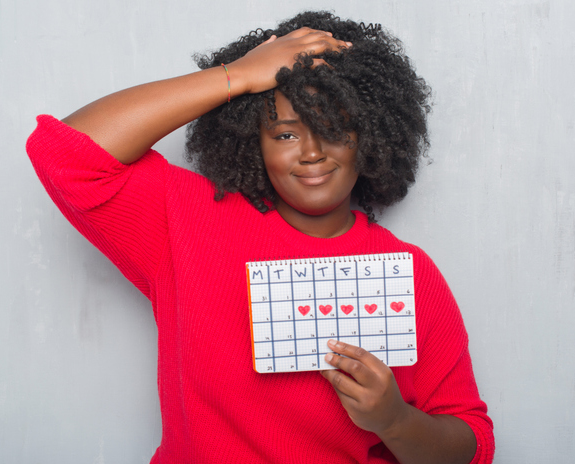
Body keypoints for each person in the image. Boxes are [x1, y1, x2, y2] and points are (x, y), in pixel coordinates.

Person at [26, 11, 494, 464]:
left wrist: (393, 421)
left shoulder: (409, 274)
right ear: (254, 141)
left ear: (369, 137)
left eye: (332, 130)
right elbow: (65, 153)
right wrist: (239, 76)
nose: (311, 153)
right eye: (286, 135)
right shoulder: (189, 221)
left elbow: (472, 445)